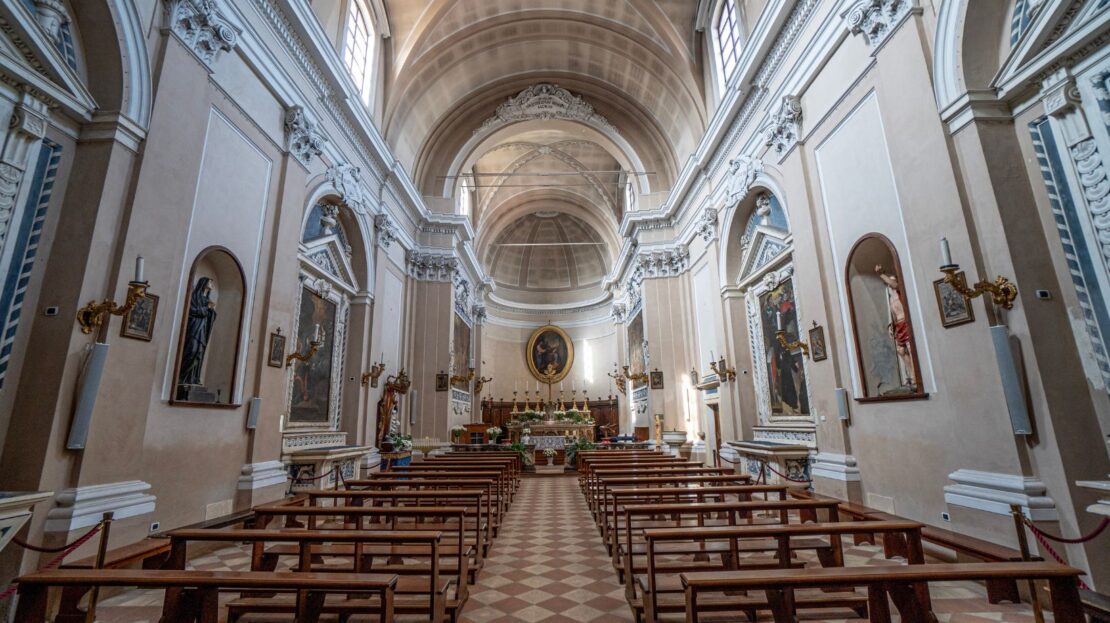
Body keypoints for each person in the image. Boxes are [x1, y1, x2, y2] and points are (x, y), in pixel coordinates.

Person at [875, 264, 916, 389]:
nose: (890, 282)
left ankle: (916, 378)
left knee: (910, 349)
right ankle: (913, 375)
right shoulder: (891, 297)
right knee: (901, 350)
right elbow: (892, 312)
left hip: (905, 322)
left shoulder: (899, 291)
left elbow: (895, 285)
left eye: (892, 279)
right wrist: (892, 325)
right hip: (899, 324)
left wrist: (882, 274)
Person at [178, 277, 217, 386]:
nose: (211, 284)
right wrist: (206, 308)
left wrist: (211, 310)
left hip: (203, 329)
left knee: (199, 352)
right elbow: (191, 310)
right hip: (194, 327)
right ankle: (182, 377)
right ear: (203, 282)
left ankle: (193, 378)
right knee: (192, 350)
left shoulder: (207, 300)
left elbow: (210, 317)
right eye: (210, 281)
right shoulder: (195, 296)